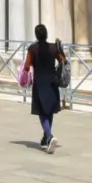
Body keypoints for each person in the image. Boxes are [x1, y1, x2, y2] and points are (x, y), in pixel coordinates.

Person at [23, 24, 66, 152]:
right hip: (52, 81)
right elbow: (63, 60)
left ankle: (49, 135)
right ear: (46, 34)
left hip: (39, 82)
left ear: (36, 35)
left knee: (42, 111)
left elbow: (26, 66)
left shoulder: (33, 49)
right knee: (49, 110)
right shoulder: (53, 48)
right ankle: (45, 138)